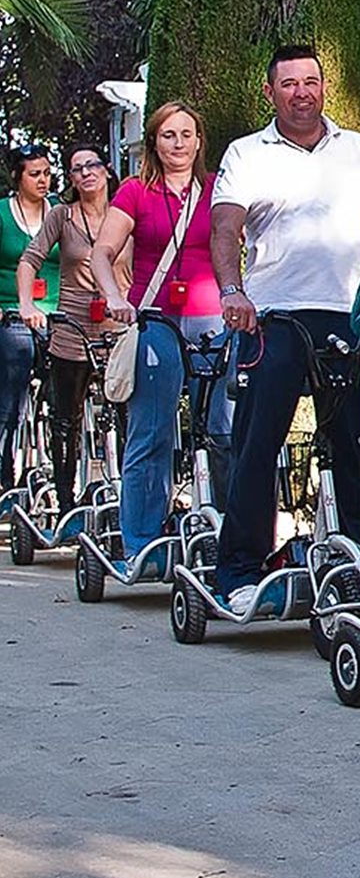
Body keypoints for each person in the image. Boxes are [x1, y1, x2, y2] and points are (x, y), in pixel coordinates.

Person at [210, 45, 360, 613]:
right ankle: (240, 569)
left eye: (311, 81)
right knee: (257, 441)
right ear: (270, 93)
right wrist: (231, 291)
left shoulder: (357, 150)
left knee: (348, 443)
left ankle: (350, 564)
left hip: (345, 315)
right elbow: (225, 229)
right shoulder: (248, 153)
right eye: (289, 83)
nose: (302, 92)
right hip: (273, 317)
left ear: (324, 88)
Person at [91, 103, 233, 558]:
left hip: (213, 319)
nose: (178, 143)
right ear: (154, 141)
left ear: (199, 141)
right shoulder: (136, 191)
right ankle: (142, 542)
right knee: (152, 431)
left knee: (224, 430)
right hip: (155, 318)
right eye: (168, 135)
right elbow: (102, 252)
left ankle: (231, 537)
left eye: (187, 134)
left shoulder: (217, 189)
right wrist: (115, 296)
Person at [17, 143, 130, 513]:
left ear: (107, 170)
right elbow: (30, 260)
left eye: (92, 165)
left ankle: (132, 499)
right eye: (76, 168)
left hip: (121, 330)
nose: (86, 173)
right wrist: (27, 304)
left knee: (132, 418)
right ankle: (67, 501)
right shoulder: (63, 217)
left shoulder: (127, 213)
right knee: (66, 418)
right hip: (72, 328)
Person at [1, 143, 59, 501]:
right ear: (17, 177)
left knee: (71, 377)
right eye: (34, 174)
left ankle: (63, 458)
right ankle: (6, 468)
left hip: (58, 314)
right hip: (10, 312)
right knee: (16, 361)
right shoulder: (3, 215)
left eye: (47, 173)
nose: (43, 180)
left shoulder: (61, 214)